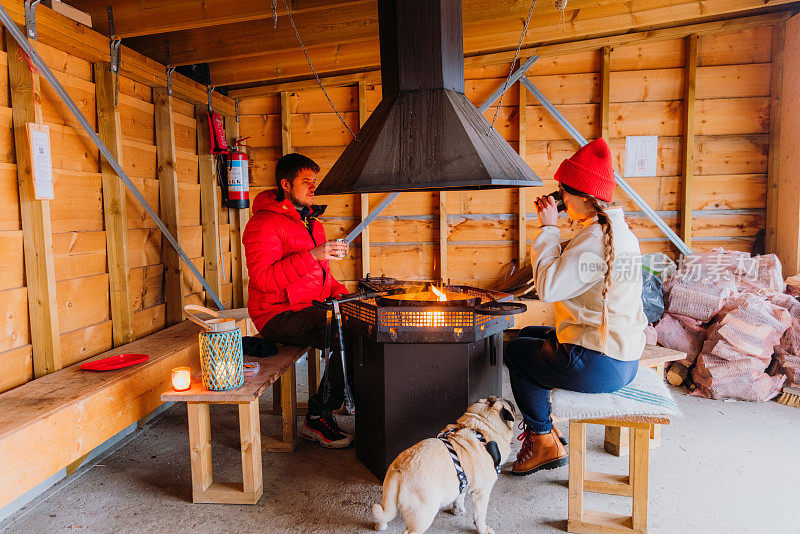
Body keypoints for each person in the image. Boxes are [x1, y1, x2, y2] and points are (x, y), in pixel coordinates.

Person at [506, 138, 647, 476]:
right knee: (528, 335)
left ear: (584, 197)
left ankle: (543, 441)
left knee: (516, 353)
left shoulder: (595, 241)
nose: (560, 199)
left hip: (601, 363)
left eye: (563, 193)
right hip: (620, 354)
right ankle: (547, 429)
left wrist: (549, 228)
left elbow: (548, 287)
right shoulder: (611, 229)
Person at [243, 153, 354, 449]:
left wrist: (346, 297)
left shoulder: (312, 223)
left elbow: (324, 278)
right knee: (349, 333)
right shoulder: (263, 223)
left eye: (314, 181)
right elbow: (263, 280)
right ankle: (317, 418)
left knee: (363, 321)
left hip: (309, 307)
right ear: (285, 184)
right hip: (276, 314)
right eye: (306, 182)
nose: (312, 187)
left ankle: (347, 399)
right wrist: (313, 255)